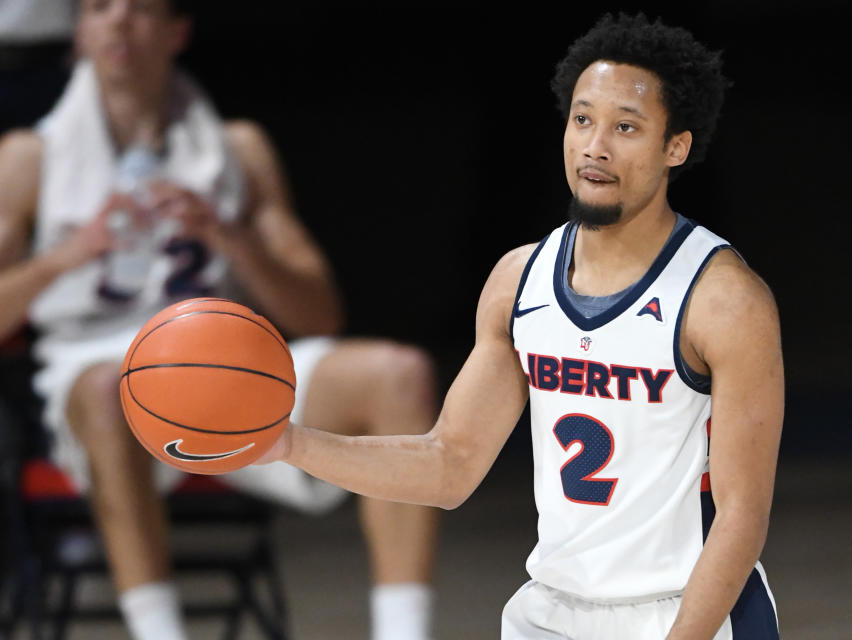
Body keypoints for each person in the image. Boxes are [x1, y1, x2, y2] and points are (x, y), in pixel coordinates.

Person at [260, 11, 784, 640]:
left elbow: (741, 516)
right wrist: (289, 444)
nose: (595, 146)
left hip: (688, 612)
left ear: (677, 146)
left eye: (626, 127)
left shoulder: (725, 302)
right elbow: (448, 464)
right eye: (583, 119)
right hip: (553, 611)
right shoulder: (518, 282)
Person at [0, 1, 438, 639]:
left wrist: (229, 237)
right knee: (107, 386)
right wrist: (68, 254)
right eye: (99, 7)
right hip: (94, 366)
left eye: (140, 9)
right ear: (80, 30)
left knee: (399, 374)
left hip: (224, 361)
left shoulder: (238, 149)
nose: (118, 23)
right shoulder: (28, 156)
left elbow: (319, 314)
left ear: (178, 31)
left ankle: (406, 632)